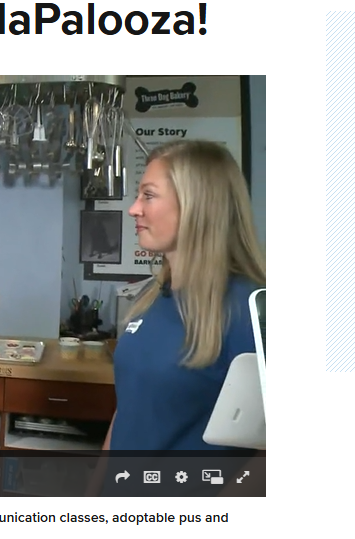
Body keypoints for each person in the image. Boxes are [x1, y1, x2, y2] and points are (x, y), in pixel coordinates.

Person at [86, 140, 265, 494]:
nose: (134, 209)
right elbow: (129, 411)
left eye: (148, 196)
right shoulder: (151, 299)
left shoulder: (249, 311)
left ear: (196, 206)